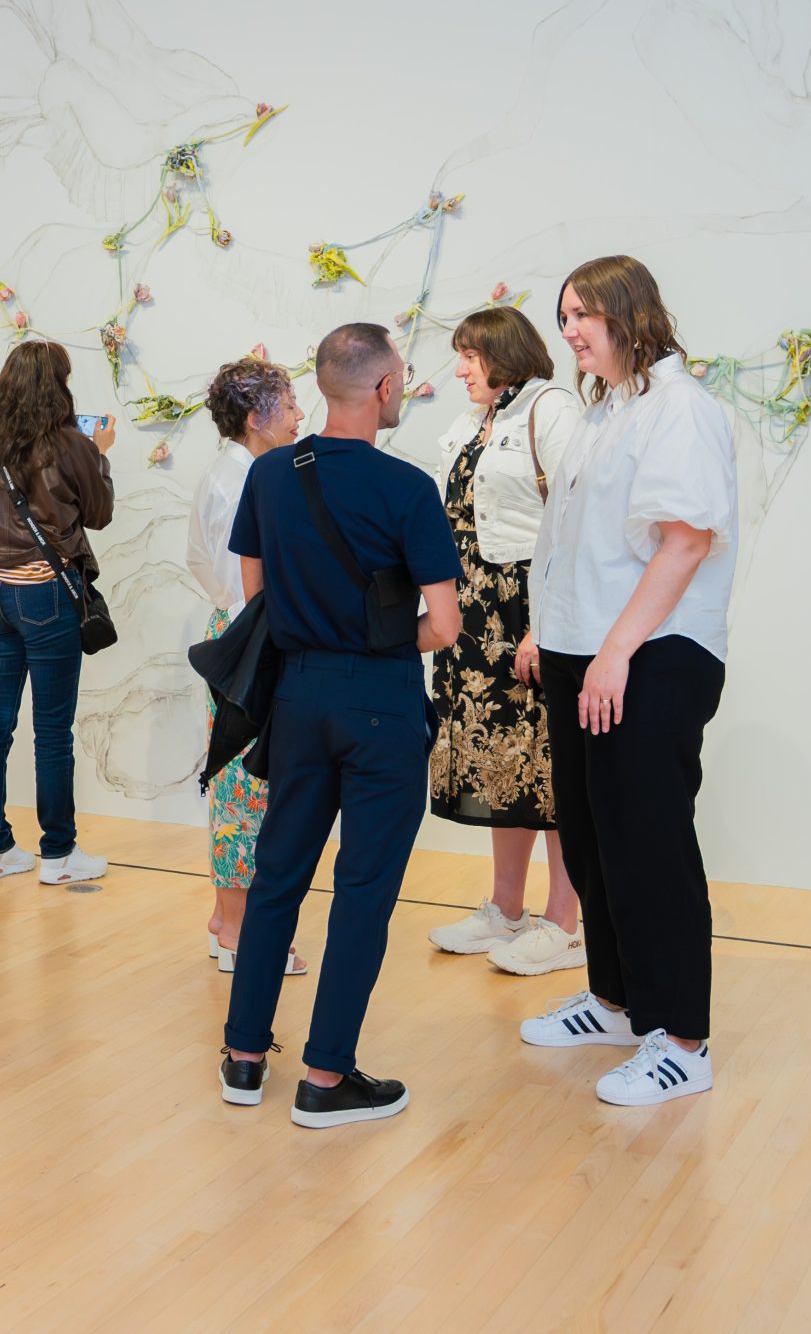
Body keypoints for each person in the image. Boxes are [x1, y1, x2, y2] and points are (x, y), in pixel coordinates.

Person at [218, 323, 462, 1129]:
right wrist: (381, 641)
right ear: (385, 388)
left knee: (277, 873)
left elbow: (257, 602)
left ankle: (244, 1058)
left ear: (323, 385)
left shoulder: (270, 477)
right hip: (381, 702)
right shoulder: (408, 487)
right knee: (362, 891)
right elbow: (446, 624)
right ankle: (325, 1078)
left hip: (295, 699)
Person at [515, 255, 738, 1108]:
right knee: (593, 833)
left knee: (648, 841)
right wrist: (554, 630)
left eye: (584, 315)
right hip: (587, 649)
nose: (569, 330)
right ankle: (614, 999)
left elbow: (685, 540)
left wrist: (614, 652)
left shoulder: (680, 408)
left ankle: (682, 1037)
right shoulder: (608, 408)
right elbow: (580, 539)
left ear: (630, 313)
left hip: (653, 654)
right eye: (565, 314)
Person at [426, 304, 586, 975]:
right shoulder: (472, 422)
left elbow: (577, 521)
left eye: (470, 354)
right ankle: (506, 908)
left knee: (551, 769)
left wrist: (543, 626)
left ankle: (566, 922)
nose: (460, 369)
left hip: (527, 610)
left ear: (503, 352)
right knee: (503, 767)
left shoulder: (551, 409)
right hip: (473, 617)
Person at [0, 340, 115, 885]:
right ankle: (58, 854)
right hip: (46, 596)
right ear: (59, 386)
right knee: (52, 731)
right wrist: (99, 453)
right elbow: (98, 514)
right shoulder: (70, 445)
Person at [185, 356, 306, 977]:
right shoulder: (239, 483)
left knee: (243, 781)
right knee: (242, 787)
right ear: (258, 418)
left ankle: (224, 918)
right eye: (288, 406)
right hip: (248, 640)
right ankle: (236, 926)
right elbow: (245, 584)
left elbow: (201, 567)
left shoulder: (237, 473)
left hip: (236, 632)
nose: (299, 416)